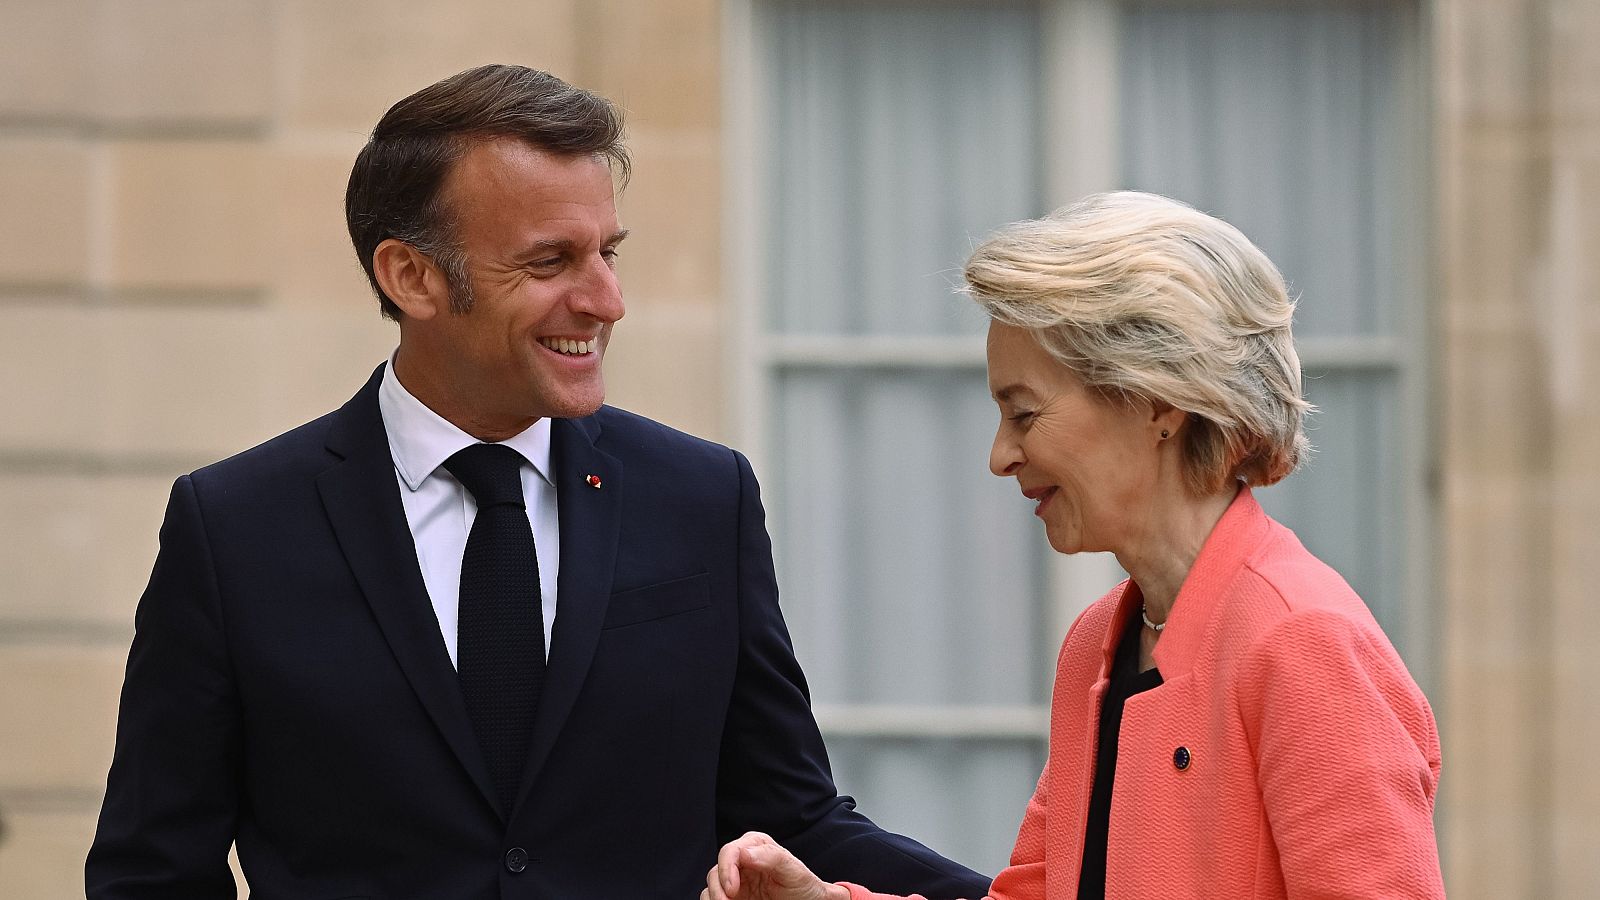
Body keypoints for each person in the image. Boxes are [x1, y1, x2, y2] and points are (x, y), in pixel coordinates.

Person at [85, 65, 990, 900]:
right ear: (411, 276)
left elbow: (791, 817)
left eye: (610, 253)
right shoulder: (235, 528)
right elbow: (155, 871)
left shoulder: (704, 500)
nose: (605, 299)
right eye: (552, 262)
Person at [704, 192, 1446, 900]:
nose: (1000, 455)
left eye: (1023, 414)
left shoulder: (1304, 641)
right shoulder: (1099, 645)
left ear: (1157, 400)